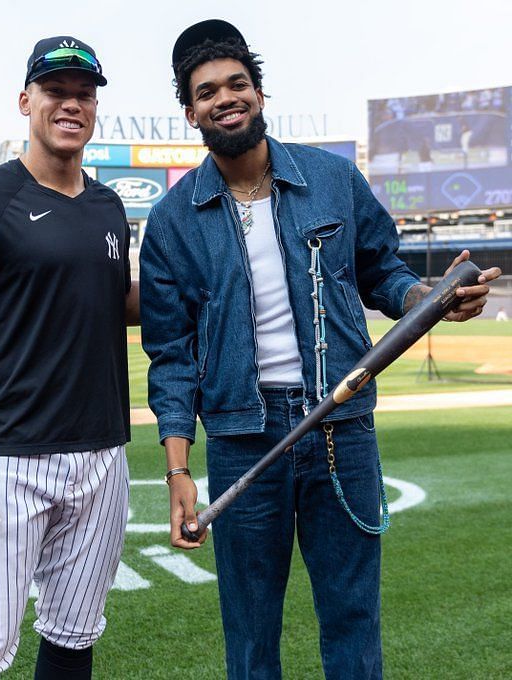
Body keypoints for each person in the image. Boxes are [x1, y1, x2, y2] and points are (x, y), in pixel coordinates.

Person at [139, 19, 500, 680]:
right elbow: (171, 357)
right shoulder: (169, 223)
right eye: (208, 90)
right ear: (190, 111)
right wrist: (177, 469)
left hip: (342, 432)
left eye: (238, 83)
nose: (227, 97)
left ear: (259, 93)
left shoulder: (334, 180)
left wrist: (426, 296)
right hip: (243, 438)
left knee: (353, 625)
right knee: (250, 640)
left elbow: (382, 272)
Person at [0, 36, 138, 680]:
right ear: (26, 101)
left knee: (74, 635)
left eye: (84, 94)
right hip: (4, 460)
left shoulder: (108, 204)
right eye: (55, 91)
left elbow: (113, 299)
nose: (71, 104)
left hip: (101, 455)